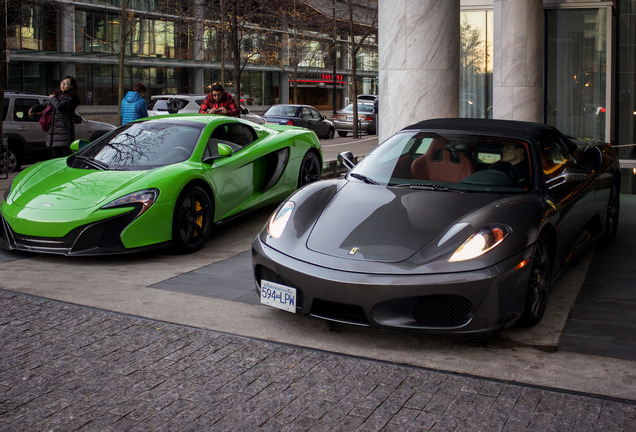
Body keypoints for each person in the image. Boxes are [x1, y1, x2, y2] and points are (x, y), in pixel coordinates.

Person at [29, 76, 81, 158]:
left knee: (64, 157)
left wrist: (53, 98)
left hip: (65, 133)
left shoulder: (72, 98)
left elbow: (59, 106)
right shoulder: (58, 96)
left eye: (66, 83)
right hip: (54, 132)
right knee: (55, 157)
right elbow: (46, 104)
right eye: (62, 83)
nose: (63, 85)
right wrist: (34, 108)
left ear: (72, 86)